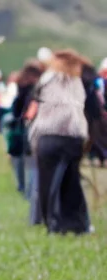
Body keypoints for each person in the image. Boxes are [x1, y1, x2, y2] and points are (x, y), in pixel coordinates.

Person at [29, 50, 90, 235]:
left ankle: (53, 224)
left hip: (50, 136)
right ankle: (75, 223)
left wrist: (34, 138)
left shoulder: (48, 79)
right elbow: (76, 113)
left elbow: (46, 111)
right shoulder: (77, 82)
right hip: (73, 138)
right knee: (71, 183)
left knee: (49, 183)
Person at [8, 60, 44, 223]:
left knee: (22, 160)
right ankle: (30, 192)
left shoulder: (21, 85)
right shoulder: (38, 88)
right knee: (32, 164)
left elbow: (16, 108)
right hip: (34, 126)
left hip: (22, 126)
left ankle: (24, 188)